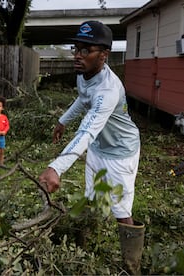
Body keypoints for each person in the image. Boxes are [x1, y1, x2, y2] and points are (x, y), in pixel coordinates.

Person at [38, 21, 144, 275]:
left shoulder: (108, 90)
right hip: (98, 147)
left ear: (104, 56)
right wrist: (63, 120)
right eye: (76, 48)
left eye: (86, 50)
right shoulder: (84, 73)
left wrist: (56, 167)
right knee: (92, 197)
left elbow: (87, 131)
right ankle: (85, 246)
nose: (78, 55)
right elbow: (82, 98)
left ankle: (132, 267)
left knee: (121, 210)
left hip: (120, 152)